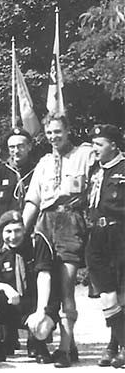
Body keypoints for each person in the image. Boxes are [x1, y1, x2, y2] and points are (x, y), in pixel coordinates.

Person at [23, 115, 96, 367]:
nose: (54, 137)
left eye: (58, 131)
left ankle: (64, 349)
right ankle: (70, 343)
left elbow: (99, 183)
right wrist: (22, 229)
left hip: (69, 220)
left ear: (68, 131)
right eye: (50, 133)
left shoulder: (85, 155)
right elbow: (33, 200)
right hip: (45, 223)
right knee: (45, 284)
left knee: (66, 288)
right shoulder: (43, 162)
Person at [0, 210, 54, 364]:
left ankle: (39, 345)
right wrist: (4, 288)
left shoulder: (37, 243)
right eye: (8, 231)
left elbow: (44, 277)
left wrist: (41, 311)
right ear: (1, 232)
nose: (13, 236)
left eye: (17, 230)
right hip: (13, 308)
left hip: (37, 307)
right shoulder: (1, 253)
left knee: (41, 328)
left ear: (24, 229)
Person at [86, 124, 125, 367]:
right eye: (93, 144)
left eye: (99, 144)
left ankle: (115, 345)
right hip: (97, 235)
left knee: (120, 294)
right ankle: (120, 343)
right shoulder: (95, 170)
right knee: (106, 294)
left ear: (114, 144)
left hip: (120, 233)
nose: (95, 148)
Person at [0, 128, 36, 249]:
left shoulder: (37, 171)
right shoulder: (0, 171)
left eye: (21, 146)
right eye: (12, 147)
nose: (16, 151)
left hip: (30, 234)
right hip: (5, 235)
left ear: (29, 147)